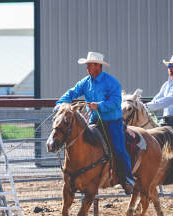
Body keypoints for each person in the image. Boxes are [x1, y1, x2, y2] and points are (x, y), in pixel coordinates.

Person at [55, 51, 134, 195]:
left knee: (119, 149)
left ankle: (128, 179)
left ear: (98, 66)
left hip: (112, 121)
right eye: (87, 64)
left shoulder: (112, 82)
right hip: (94, 120)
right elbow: (72, 92)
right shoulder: (85, 82)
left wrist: (98, 106)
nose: (87, 67)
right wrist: (60, 104)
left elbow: (116, 102)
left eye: (89, 64)